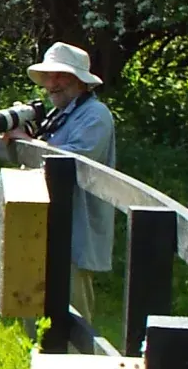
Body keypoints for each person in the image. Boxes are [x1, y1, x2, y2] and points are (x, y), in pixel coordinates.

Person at [9, 41, 116, 319]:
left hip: (75, 229)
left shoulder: (96, 115)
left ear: (81, 81)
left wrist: (26, 143)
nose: (52, 83)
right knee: (38, 307)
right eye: (48, 76)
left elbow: (71, 163)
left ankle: (79, 362)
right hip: (48, 224)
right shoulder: (61, 113)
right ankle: (40, 359)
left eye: (61, 76)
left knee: (72, 314)